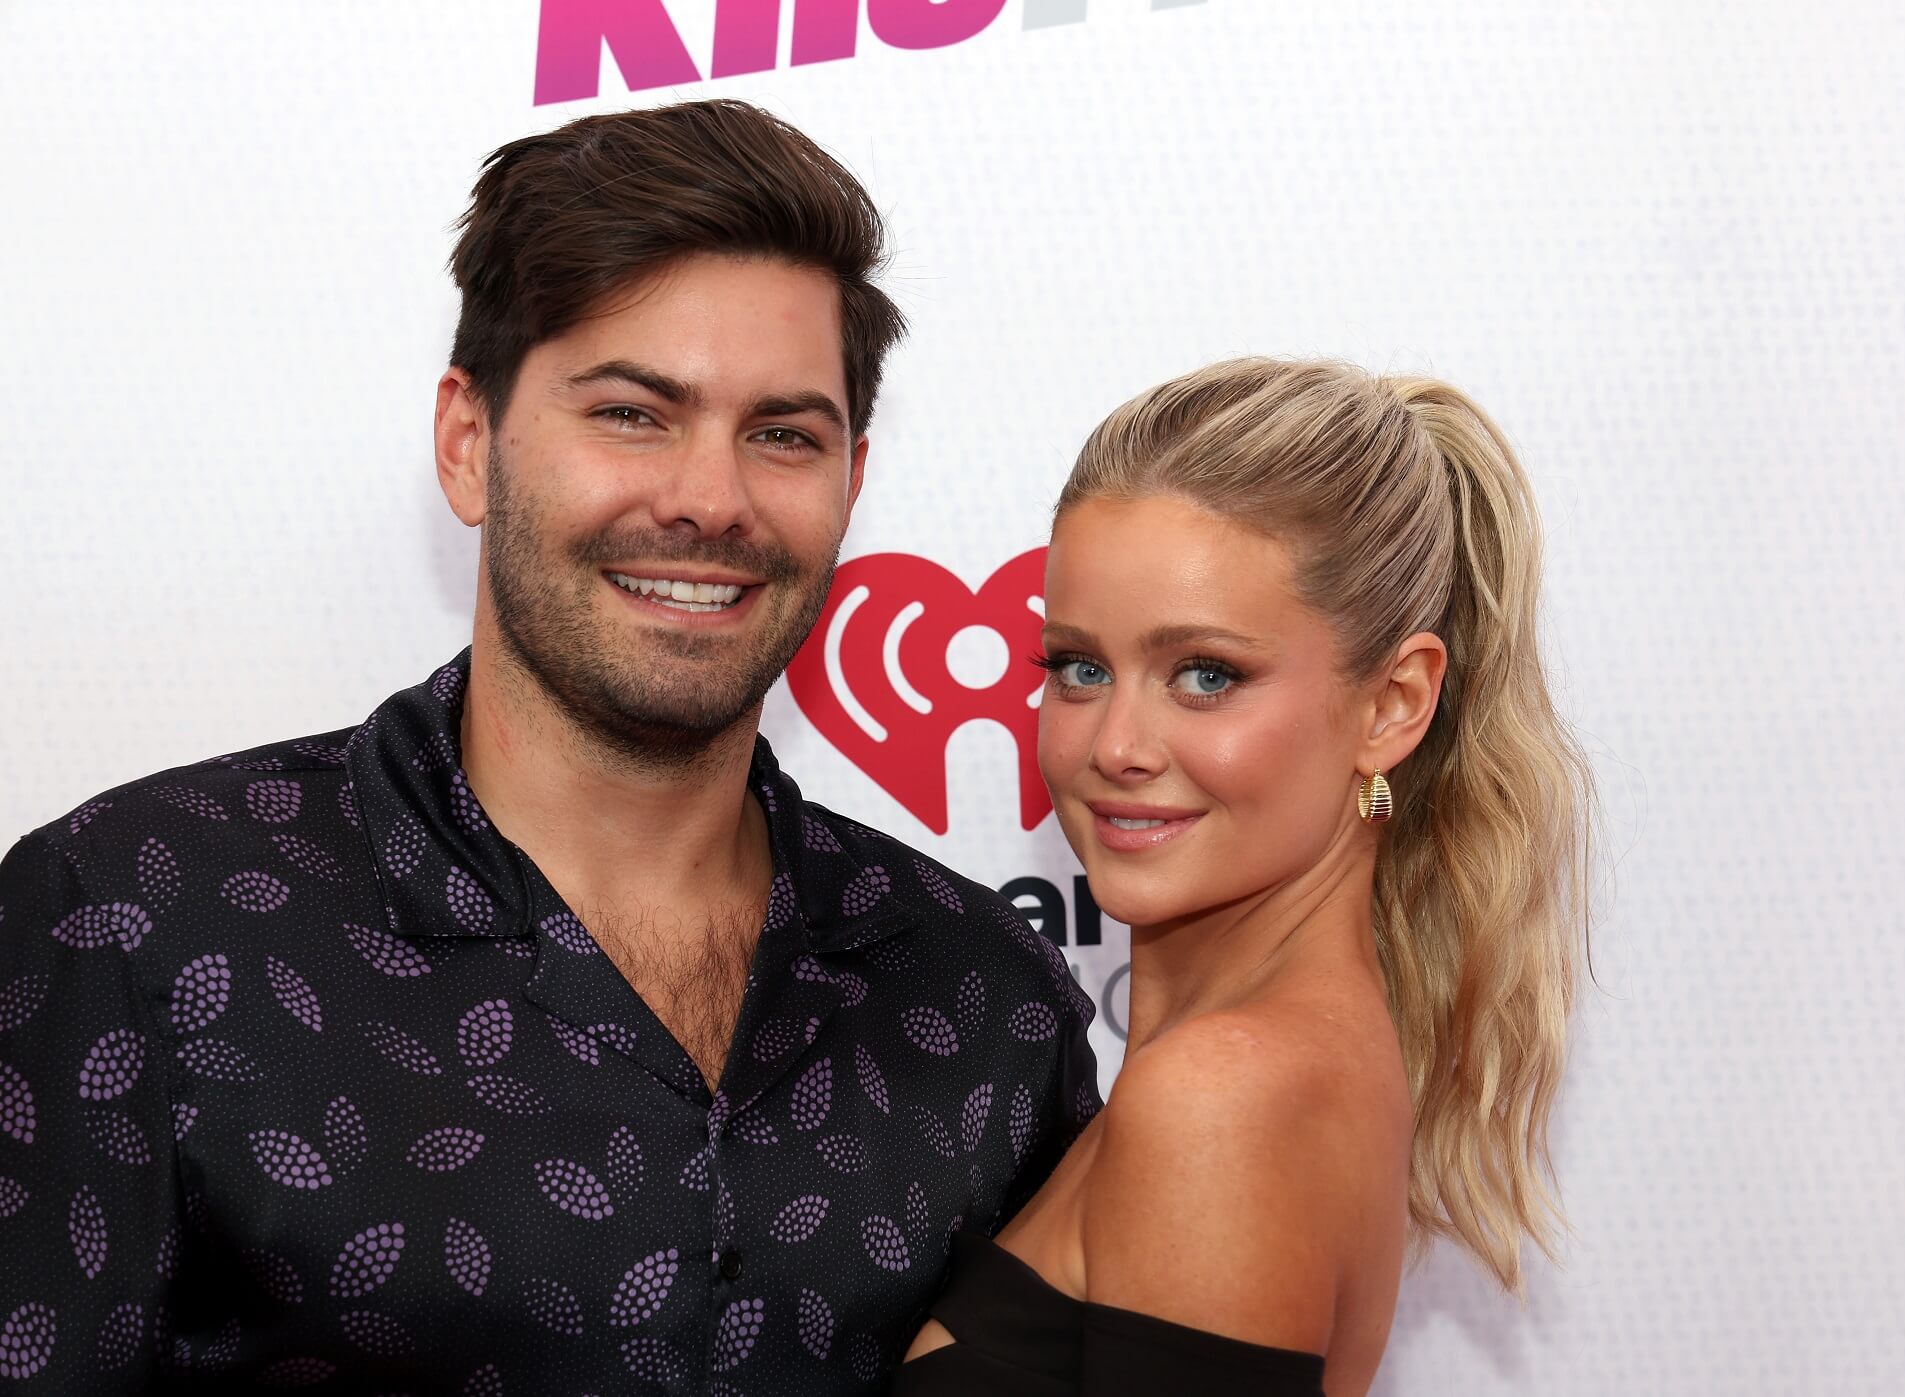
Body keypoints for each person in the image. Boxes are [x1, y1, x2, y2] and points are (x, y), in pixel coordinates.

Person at [0, 99, 1096, 1394]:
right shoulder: (134, 919)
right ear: (469, 445)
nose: (710, 498)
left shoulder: (986, 997)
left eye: (784, 434)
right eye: (634, 413)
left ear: (853, 479)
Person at [896, 358, 1595, 1395]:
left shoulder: (1221, 1096)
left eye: (1205, 675)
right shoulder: (1281, 1059)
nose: (1117, 744)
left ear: (1391, 704)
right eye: (1079, 667)